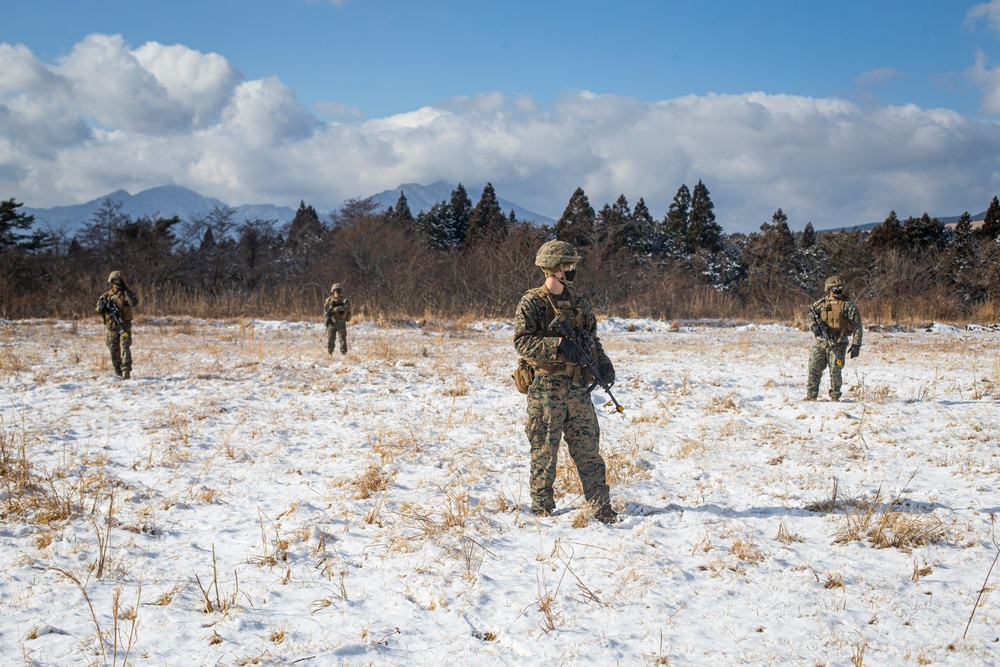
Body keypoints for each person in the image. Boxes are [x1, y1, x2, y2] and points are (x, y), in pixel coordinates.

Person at [513, 240, 619, 523]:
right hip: (546, 387)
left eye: (573, 265)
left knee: (588, 448)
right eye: (568, 265)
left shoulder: (579, 303)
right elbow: (522, 342)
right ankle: (542, 509)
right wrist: (557, 344)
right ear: (555, 269)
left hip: (577, 387)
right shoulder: (532, 302)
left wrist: (604, 363)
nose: (573, 270)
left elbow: (591, 339)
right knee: (545, 449)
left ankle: (601, 507)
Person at [806, 275, 863, 401]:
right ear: (829, 289)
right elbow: (810, 314)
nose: (838, 290)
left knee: (835, 371)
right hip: (821, 342)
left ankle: (835, 396)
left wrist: (856, 344)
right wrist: (813, 326)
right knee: (814, 368)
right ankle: (811, 395)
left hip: (838, 343)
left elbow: (857, 326)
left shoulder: (848, 305)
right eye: (835, 288)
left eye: (840, 287)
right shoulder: (821, 304)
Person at [96, 270, 139, 379]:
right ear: (111, 282)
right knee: (113, 348)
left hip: (123, 327)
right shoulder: (106, 296)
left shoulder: (126, 294)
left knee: (125, 347)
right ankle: (118, 370)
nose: (118, 282)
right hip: (111, 327)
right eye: (116, 280)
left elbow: (133, 303)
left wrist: (126, 291)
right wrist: (102, 308)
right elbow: (98, 308)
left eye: (120, 280)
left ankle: (126, 370)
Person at [323, 283, 352, 354]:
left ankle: (344, 353)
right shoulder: (329, 300)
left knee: (342, 338)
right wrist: (327, 319)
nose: (338, 292)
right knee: (330, 339)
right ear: (333, 291)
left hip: (341, 322)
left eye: (339, 290)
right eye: (336, 290)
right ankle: (330, 353)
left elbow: (347, 307)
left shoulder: (344, 300)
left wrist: (338, 308)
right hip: (332, 322)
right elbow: (325, 311)